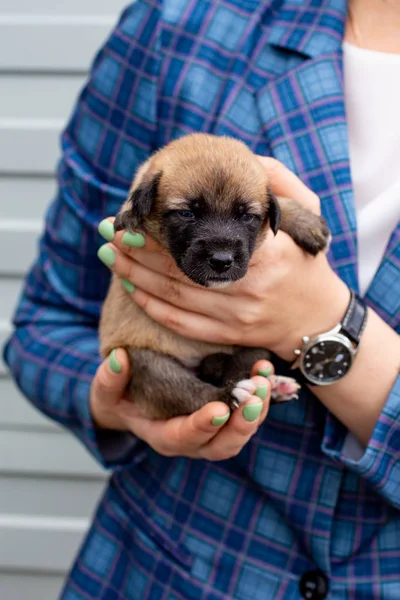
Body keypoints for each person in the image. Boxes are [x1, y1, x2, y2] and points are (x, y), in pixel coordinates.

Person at [4, 0, 400, 597]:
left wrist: (321, 322)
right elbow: (43, 326)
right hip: (170, 570)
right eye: (186, 216)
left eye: (247, 219)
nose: (220, 250)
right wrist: (117, 404)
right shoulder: (177, 27)